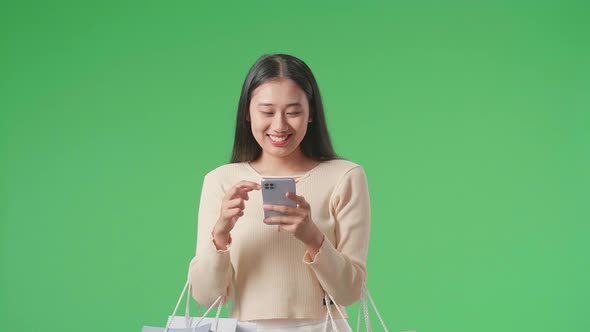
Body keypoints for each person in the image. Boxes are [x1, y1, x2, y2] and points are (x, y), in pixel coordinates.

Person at [188, 54, 371, 331]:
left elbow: (350, 293)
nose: (279, 125)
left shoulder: (344, 177)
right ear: (247, 114)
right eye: (267, 111)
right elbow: (205, 297)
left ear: (311, 115)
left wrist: (313, 238)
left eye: (294, 112)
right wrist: (221, 232)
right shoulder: (221, 181)